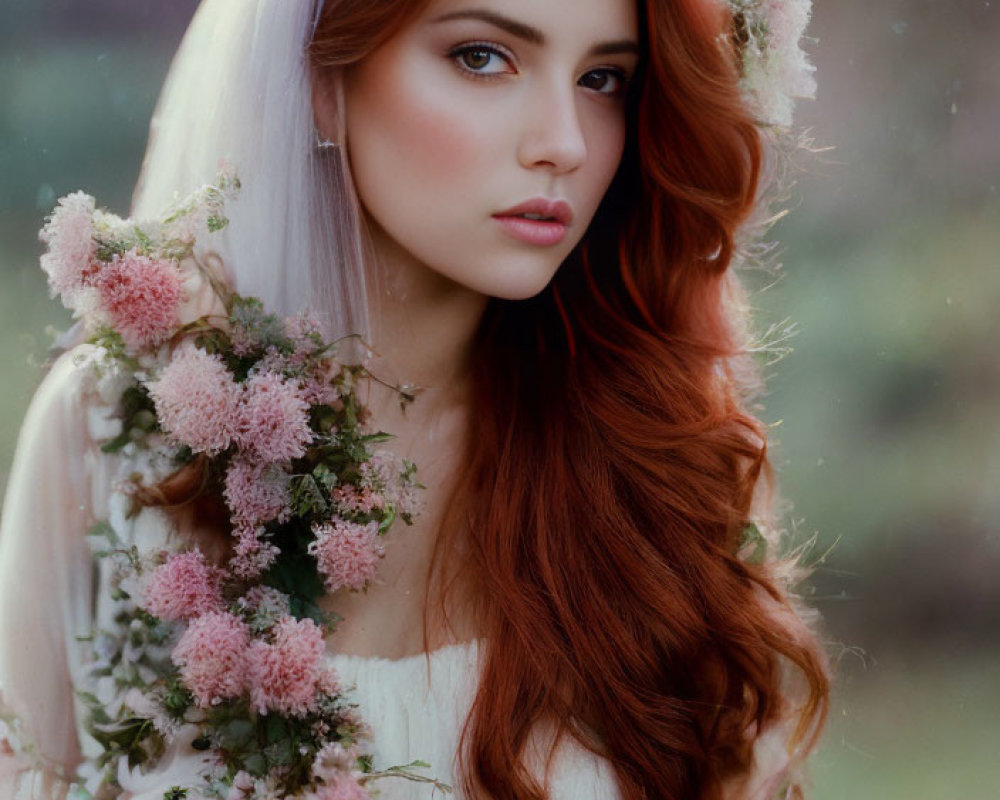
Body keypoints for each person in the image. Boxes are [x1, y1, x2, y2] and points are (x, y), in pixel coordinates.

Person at [0, 0, 830, 799]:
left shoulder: (661, 457)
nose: (564, 143)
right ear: (326, 82)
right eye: (483, 57)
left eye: (602, 79)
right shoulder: (117, 434)